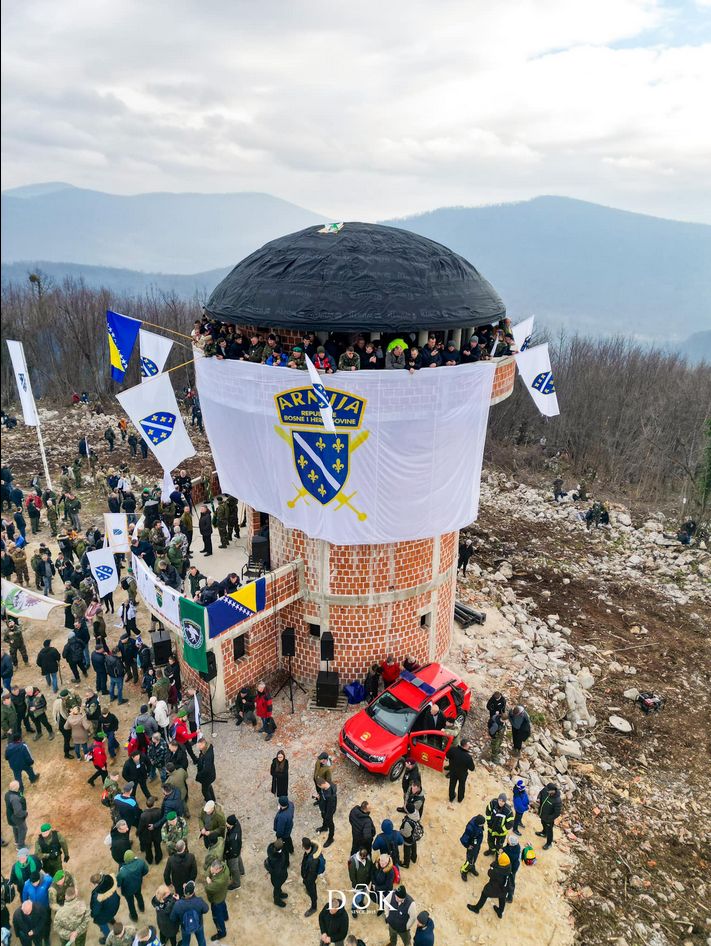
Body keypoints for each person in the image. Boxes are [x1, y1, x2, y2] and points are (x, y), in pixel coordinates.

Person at [466, 851, 511, 919]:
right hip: (504, 887)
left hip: (495, 887)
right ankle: (500, 912)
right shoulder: (508, 866)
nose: (499, 855)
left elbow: (489, 873)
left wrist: (494, 864)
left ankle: (477, 908)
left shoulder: (496, 871)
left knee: (484, 894)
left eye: (500, 856)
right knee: (502, 898)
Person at [169, 880, 209, 946]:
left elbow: (173, 918)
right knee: (201, 941)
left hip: (185, 927)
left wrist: (178, 900)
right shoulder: (199, 901)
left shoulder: (178, 904)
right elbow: (206, 909)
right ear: (193, 892)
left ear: (184, 891)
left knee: (185, 943)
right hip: (198, 925)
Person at [117, 851, 149, 922]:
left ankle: (134, 917)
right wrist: (140, 876)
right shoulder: (141, 862)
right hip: (138, 885)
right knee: (139, 896)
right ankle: (142, 907)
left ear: (125, 859)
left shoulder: (122, 871)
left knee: (130, 903)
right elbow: (146, 870)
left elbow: (118, 883)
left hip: (127, 891)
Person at [90, 871, 121, 944]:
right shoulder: (111, 880)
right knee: (110, 913)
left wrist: (93, 914)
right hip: (115, 904)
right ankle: (112, 921)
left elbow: (96, 910)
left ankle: (108, 938)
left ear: (96, 884)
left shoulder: (98, 896)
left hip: (105, 912)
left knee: (102, 923)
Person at [204, 858, 230, 940]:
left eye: (213, 870)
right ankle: (225, 916)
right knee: (223, 905)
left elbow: (208, 888)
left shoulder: (219, 881)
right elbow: (209, 869)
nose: (211, 871)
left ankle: (222, 932)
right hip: (222, 895)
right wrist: (209, 874)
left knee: (217, 917)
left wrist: (208, 881)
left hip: (216, 900)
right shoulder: (224, 866)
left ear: (218, 869)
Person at [446, 738, 475, 803]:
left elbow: (447, 755)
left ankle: (451, 797)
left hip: (453, 771)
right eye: (469, 744)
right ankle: (460, 799)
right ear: (466, 745)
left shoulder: (453, 749)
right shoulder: (468, 757)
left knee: (452, 784)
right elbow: (472, 768)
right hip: (462, 774)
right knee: (461, 786)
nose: (470, 745)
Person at [300, 837, 323, 917]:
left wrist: (307, 880)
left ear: (303, 847)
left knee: (312, 892)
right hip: (306, 876)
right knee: (308, 887)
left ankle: (314, 907)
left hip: (310, 879)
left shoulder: (312, 861)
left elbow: (312, 875)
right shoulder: (309, 851)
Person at [459, 813, 485, 881]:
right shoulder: (470, 828)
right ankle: (464, 870)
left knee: (474, 858)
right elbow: (463, 839)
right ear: (478, 823)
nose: (483, 826)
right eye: (482, 824)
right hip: (472, 845)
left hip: (477, 844)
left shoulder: (478, 823)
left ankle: (471, 867)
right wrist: (468, 846)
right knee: (470, 860)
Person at [536, 783, 562, 849]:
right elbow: (541, 793)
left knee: (549, 831)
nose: (546, 791)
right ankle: (544, 833)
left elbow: (557, 813)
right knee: (542, 822)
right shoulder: (546, 790)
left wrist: (549, 818)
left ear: (553, 790)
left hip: (549, 819)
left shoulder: (557, 800)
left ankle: (549, 843)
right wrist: (538, 798)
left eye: (548, 790)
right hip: (542, 813)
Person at [139, 797, 163, 866]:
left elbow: (141, 826)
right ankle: (158, 859)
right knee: (157, 846)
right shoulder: (159, 811)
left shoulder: (143, 815)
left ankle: (149, 860)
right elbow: (161, 821)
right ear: (154, 804)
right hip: (157, 833)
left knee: (148, 848)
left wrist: (139, 833)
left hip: (147, 834)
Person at [265, 837, 288, 908]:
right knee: (277, 887)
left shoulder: (270, 849)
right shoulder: (279, 859)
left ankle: (279, 893)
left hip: (275, 875)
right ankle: (277, 900)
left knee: (278, 887)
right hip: (278, 877)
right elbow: (278, 870)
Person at [5, 779, 28, 848]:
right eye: (18, 786)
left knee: (15, 828)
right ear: (16, 788)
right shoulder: (15, 798)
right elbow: (18, 812)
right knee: (23, 829)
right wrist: (25, 813)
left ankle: (17, 841)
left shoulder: (7, 794)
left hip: (10, 816)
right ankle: (20, 846)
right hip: (16, 818)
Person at [316, 776, 337, 848]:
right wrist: (318, 797)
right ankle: (324, 827)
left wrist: (327, 816)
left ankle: (331, 838)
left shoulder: (330, 795)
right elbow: (322, 794)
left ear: (322, 784)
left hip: (328, 812)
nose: (320, 788)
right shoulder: (325, 785)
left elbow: (330, 808)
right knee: (324, 817)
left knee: (330, 823)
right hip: (324, 809)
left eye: (319, 787)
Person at [224, 814, 244, 890]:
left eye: (227, 824)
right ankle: (241, 871)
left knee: (233, 868)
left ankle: (236, 884)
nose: (226, 824)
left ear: (231, 825)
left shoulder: (233, 838)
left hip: (233, 854)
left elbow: (233, 851)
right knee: (239, 858)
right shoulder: (237, 824)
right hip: (237, 849)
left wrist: (227, 854)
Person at [399, 803, 423, 869]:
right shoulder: (416, 813)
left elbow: (407, 834)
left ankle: (406, 864)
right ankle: (414, 858)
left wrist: (400, 831)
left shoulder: (408, 823)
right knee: (414, 846)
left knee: (407, 851)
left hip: (408, 839)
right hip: (414, 836)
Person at [195, 739, 216, 803]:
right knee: (208, 787)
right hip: (210, 775)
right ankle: (213, 799)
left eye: (199, 746)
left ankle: (210, 803)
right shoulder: (206, 749)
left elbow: (206, 770)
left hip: (207, 777)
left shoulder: (207, 756)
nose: (198, 748)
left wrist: (199, 775)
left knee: (205, 791)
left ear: (203, 744)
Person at [503, 834, 521, 901]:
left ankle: (510, 897)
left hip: (512, 868)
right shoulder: (515, 846)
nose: (507, 840)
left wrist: (502, 851)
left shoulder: (512, 852)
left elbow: (508, 854)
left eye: (508, 840)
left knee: (510, 881)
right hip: (512, 866)